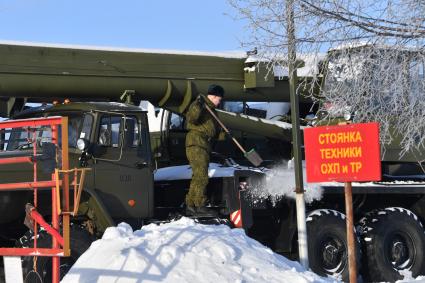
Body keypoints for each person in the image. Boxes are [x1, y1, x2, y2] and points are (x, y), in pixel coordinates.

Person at [185, 84, 224, 216]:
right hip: (196, 143)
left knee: (198, 176)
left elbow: (215, 130)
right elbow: (192, 118)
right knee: (201, 175)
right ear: (213, 96)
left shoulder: (213, 110)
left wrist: (224, 134)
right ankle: (200, 205)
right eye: (219, 99)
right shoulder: (199, 105)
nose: (220, 101)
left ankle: (191, 205)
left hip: (204, 144)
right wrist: (199, 105)